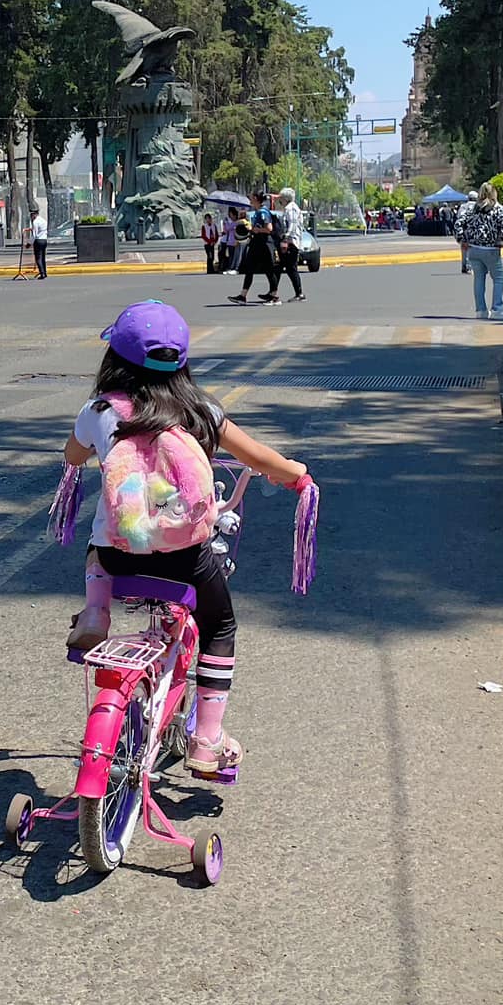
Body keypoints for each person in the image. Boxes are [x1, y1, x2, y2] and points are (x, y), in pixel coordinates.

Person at [63, 301, 311, 779]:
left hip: (118, 557)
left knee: (97, 540)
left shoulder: (98, 411)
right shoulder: (202, 411)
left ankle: (97, 611)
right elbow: (261, 458)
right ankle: (206, 739)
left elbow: (73, 455)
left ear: (114, 358)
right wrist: (299, 477)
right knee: (219, 624)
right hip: (185, 558)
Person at [456, 182, 503, 317]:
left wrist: (462, 239)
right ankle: (497, 309)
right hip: (491, 249)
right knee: (499, 278)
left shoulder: (472, 209)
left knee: (479, 279)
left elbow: (459, 223)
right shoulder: (498, 209)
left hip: (474, 249)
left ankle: (480, 310)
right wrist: (502, 241)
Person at [228, 193, 281, 304]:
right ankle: (243, 296)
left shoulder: (263, 212)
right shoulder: (257, 212)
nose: (250, 200)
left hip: (264, 244)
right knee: (249, 268)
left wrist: (256, 230)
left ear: (256, 199)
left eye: (251, 198)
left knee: (269, 270)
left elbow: (269, 229)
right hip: (256, 243)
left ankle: (274, 296)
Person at [274, 187, 307, 302]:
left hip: (291, 243)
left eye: (281, 198)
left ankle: (298, 293)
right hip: (291, 242)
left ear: (285, 198)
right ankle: (273, 292)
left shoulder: (290, 208)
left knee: (289, 268)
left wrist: (286, 239)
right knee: (283, 268)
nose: (280, 200)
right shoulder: (289, 208)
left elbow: (292, 225)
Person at [216, 207, 241, 274]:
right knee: (230, 256)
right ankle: (230, 267)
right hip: (230, 242)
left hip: (234, 242)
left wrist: (226, 223)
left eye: (232, 215)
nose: (231, 217)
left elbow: (228, 228)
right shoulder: (232, 222)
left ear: (235, 215)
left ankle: (233, 268)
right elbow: (226, 230)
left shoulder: (236, 222)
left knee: (233, 257)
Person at [30, 206, 49, 279]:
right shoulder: (43, 220)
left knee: (38, 258)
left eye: (32, 215)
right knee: (43, 257)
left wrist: (30, 243)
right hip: (44, 240)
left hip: (38, 241)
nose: (31, 217)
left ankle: (42, 273)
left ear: (34, 214)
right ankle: (45, 272)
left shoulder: (35, 222)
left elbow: (34, 234)